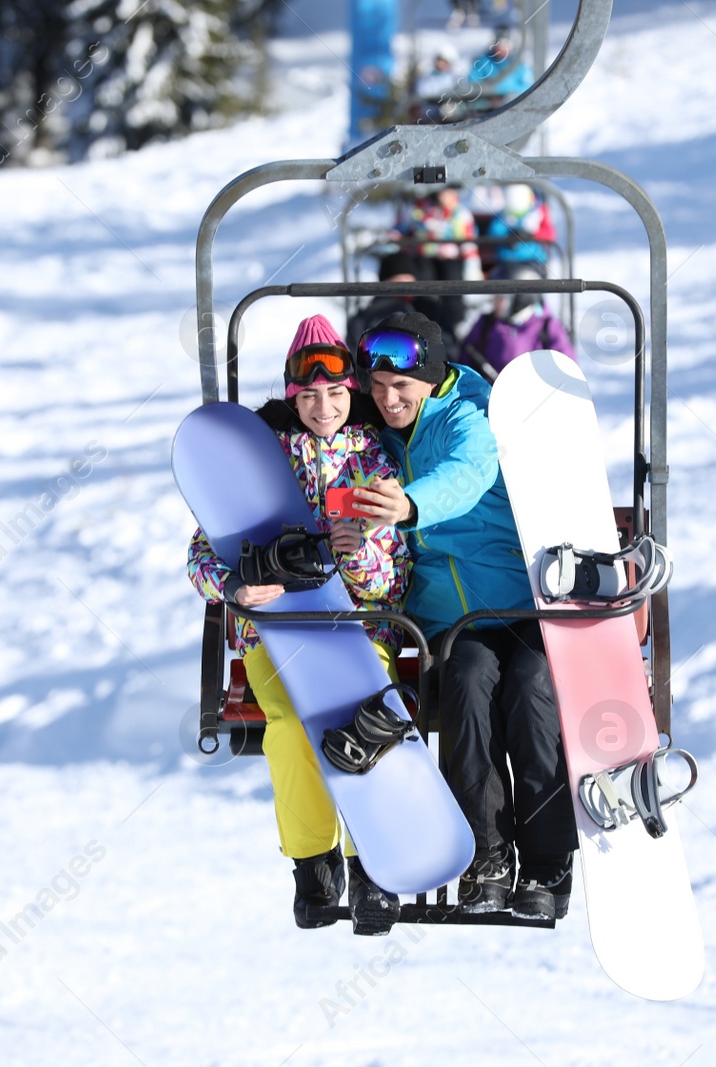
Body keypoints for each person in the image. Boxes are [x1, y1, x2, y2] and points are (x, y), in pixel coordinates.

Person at [186, 314, 410, 935]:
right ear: (292, 396)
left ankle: (372, 867)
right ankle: (313, 864)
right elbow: (201, 555)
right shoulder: (259, 457)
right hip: (275, 631)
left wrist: (358, 548)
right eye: (309, 395)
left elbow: (391, 580)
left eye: (336, 393)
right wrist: (236, 586)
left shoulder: (372, 455)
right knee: (287, 723)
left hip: (359, 627)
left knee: (362, 721)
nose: (323, 407)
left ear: (352, 393)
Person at [348, 311, 577, 919]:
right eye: (377, 386)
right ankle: (488, 855)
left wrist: (409, 501)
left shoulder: (469, 410)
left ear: (431, 375)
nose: (388, 399)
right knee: (467, 684)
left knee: (532, 691)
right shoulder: (379, 424)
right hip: (454, 623)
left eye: (401, 386)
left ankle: (549, 857)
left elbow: (468, 474)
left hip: (517, 603)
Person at [458, 266, 573, 381]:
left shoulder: (547, 327)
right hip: (488, 394)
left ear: (520, 299)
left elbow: (567, 371)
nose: (495, 301)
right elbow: (464, 361)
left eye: (501, 297)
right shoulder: (486, 323)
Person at [346, 251, 458, 358]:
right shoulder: (366, 317)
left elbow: (448, 352)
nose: (404, 290)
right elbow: (357, 355)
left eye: (408, 283)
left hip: (424, 374)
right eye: (397, 283)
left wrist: (416, 355)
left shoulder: (430, 311)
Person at [399, 187, 481, 327]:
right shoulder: (424, 210)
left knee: (452, 290)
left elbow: (468, 240)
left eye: (449, 192)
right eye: (442, 192)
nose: (445, 197)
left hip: (450, 259)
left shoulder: (460, 214)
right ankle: (422, 322)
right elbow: (408, 227)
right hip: (425, 257)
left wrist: (471, 262)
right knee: (424, 290)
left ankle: (454, 324)